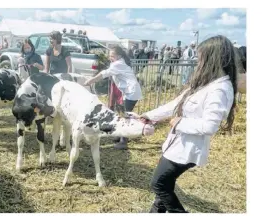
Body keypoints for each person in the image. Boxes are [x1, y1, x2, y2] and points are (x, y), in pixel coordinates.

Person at [140, 35, 237, 213]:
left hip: (187, 149)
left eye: (201, 57)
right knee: (162, 191)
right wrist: (149, 115)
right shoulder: (206, 82)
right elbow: (176, 103)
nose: (197, 61)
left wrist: (179, 122)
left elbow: (209, 126)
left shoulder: (219, 89)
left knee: (159, 184)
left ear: (212, 58)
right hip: (177, 145)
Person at [84, 45, 142, 150]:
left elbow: (104, 74)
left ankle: (124, 142)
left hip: (131, 92)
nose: (110, 57)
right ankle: (120, 136)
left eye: (112, 55)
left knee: (125, 116)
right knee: (122, 113)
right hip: (129, 92)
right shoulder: (118, 62)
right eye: (109, 55)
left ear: (118, 56)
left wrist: (91, 80)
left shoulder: (118, 64)